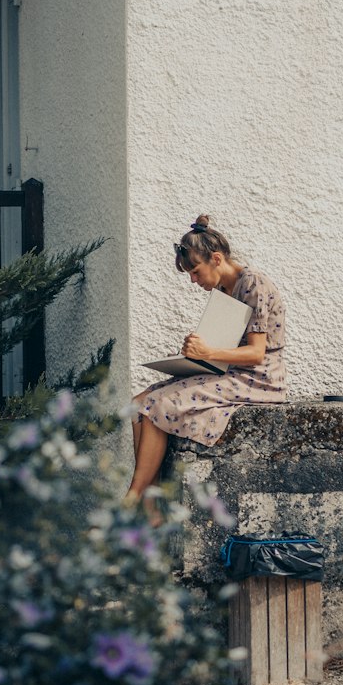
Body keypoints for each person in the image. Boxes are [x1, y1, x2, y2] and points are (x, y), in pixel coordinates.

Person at [127, 215, 287, 514]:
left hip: (259, 378)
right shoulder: (224, 289)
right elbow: (223, 348)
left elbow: (256, 354)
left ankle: (133, 499)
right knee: (138, 404)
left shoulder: (253, 284)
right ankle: (149, 505)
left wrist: (208, 352)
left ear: (216, 259)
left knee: (158, 404)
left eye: (195, 271)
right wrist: (195, 356)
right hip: (231, 372)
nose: (193, 280)